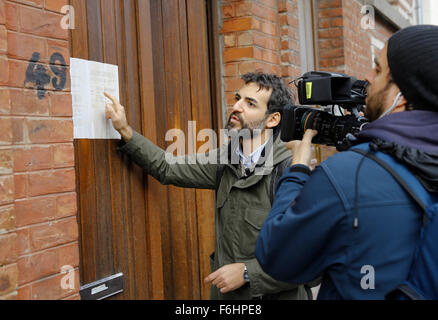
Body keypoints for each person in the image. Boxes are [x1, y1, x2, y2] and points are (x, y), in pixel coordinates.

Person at [255, 25, 438, 300]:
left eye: (377, 70)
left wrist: (297, 171)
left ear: (400, 97)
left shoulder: (348, 177)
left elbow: (276, 255)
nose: (367, 78)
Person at [104, 72, 311, 300]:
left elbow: (311, 264)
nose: (237, 107)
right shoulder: (225, 160)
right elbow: (168, 167)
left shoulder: (292, 170)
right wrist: (124, 130)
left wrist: (247, 273)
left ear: (272, 119)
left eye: (250, 103)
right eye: (238, 98)